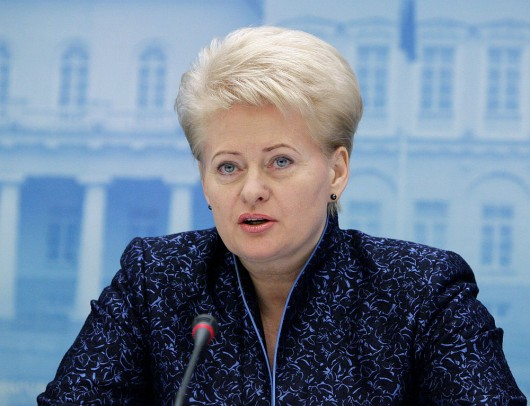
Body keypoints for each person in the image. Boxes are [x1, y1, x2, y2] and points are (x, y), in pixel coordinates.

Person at [38, 26, 526, 405]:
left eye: (280, 162)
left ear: (337, 171)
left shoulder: (421, 292)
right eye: (228, 166)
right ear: (204, 180)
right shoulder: (156, 281)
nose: (252, 190)